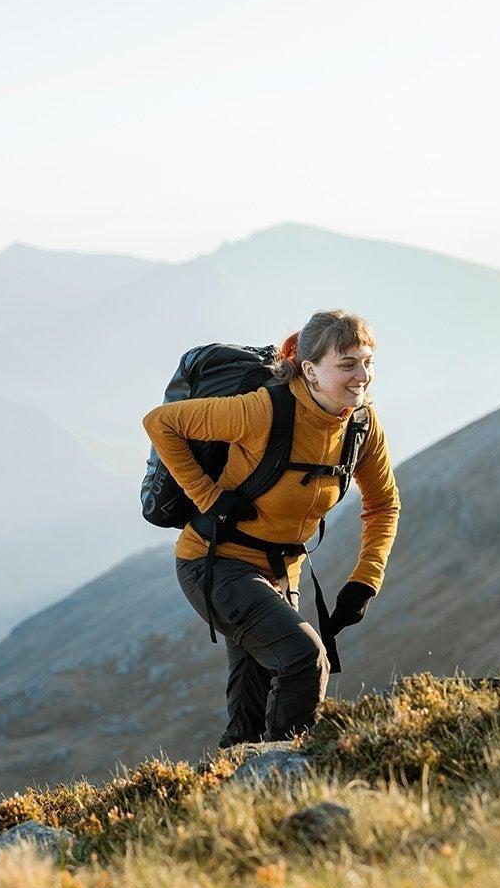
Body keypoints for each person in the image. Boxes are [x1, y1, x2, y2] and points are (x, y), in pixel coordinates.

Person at [142, 310, 399, 746]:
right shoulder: (264, 410)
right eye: (348, 364)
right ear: (311, 371)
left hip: (281, 575)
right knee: (303, 659)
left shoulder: (361, 426)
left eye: (368, 362)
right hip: (216, 563)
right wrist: (208, 496)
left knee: (251, 715)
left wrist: (364, 580)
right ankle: (284, 777)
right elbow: (161, 422)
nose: (363, 376)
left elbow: (382, 505)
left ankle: (241, 793)